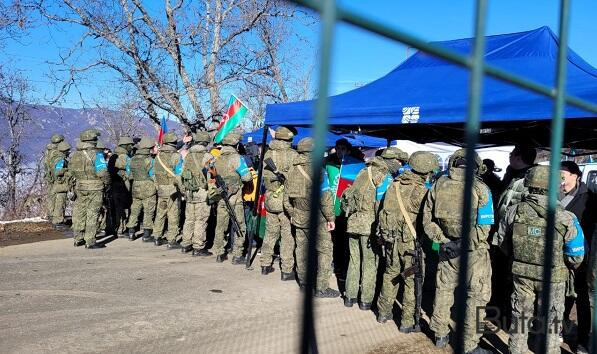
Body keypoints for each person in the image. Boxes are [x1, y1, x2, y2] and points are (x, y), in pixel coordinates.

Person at [497, 165, 585, 354]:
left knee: (519, 316)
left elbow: (502, 243)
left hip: (521, 274)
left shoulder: (513, 211)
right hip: (554, 277)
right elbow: (576, 256)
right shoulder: (566, 217)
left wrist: (520, 258)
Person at [423, 148, 494, 353]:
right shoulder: (481, 189)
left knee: (444, 291)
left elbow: (428, 219)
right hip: (475, 253)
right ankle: (470, 344)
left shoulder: (438, 185)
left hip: (447, 249)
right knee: (477, 296)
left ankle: (439, 333)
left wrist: (444, 241)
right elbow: (485, 226)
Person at [377, 151, 438, 331]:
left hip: (391, 239)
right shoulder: (423, 191)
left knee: (390, 274)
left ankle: (383, 312)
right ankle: (406, 321)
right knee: (412, 281)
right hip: (410, 243)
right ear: (427, 170)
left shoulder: (394, 184)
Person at [342, 147, 404, 310]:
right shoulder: (384, 177)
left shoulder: (363, 172)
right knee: (370, 263)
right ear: (391, 161)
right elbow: (380, 206)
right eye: (397, 161)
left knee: (354, 261)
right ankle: (366, 300)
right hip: (369, 224)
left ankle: (350, 297)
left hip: (353, 222)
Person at [284, 137, 339, 298]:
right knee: (325, 251)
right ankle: (321, 287)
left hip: (299, 217)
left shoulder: (292, 171)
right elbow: (325, 197)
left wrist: (293, 213)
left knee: (301, 250)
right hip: (318, 219)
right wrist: (331, 218)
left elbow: (286, 200)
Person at [559, 161, 597, 352]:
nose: (560, 178)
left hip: (581, 258)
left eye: (563, 174)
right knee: (560, 296)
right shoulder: (555, 196)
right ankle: (559, 329)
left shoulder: (588, 199)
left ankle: (582, 340)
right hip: (559, 258)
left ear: (575, 176)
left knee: (581, 299)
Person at [260, 126, 298, 279]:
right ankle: (287, 269)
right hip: (285, 199)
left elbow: (264, 175)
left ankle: (265, 264)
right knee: (287, 236)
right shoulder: (293, 155)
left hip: (270, 198)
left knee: (270, 233)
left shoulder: (268, 153)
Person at [212, 133, 252, 264]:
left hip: (221, 198)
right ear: (236, 144)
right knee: (239, 226)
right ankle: (237, 255)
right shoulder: (237, 158)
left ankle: (219, 253)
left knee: (220, 226)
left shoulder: (216, 158)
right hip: (235, 199)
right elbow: (246, 177)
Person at [69, 129, 109, 249]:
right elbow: (103, 172)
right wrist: (107, 184)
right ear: (94, 141)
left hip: (80, 187)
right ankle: (90, 241)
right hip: (95, 188)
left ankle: (78, 239)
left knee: (79, 212)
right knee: (92, 213)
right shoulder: (97, 155)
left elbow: (71, 172)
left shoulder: (75, 155)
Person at [180, 131, 213, 256]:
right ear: (205, 142)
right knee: (201, 220)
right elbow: (212, 175)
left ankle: (186, 243)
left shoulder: (188, 155)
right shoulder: (207, 157)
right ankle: (198, 246)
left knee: (189, 219)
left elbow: (182, 173)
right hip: (202, 192)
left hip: (189, 191)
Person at [152, 132, 183, 248]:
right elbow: (179, 174)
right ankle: (172, 240)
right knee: (173, 214)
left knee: (160, 213)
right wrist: (182, 189)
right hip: (172, 190)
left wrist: (158, 186)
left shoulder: (158, 156)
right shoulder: (176, 156)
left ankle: (157, 237)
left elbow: (154, 174)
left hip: (161, 188)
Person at [126, 137, 157, 242]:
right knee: (148, 211)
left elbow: (129, 174)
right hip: (148, 187)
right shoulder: (150, 160)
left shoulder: (132, 159)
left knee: (134, 210)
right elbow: (153, 175)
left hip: (135, 186)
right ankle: (147, 234)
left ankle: (131, 232)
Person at [108, 136, 134, 237]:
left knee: (115, 207)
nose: (131, 147)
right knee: (123, 208)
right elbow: (130, 172)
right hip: (124, 184)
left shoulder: (113, 155)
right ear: (126, 146)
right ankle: (122, 228)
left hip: (114, 185)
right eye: (130, 145)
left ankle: (113, 228)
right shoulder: (125, 157)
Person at [48, 141, 71, 230]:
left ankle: (56, 220)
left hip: (56, 183)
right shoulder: (60, 159)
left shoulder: (54, 157)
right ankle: (58, 222)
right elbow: (58, 172)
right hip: (60, 184)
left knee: (57, 202)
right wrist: (67, 170)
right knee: (60, 203)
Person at [44, 134, 65, 221]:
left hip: (49, 177)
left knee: (51, 196)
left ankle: (50, 215)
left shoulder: (48, 151)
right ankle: (58, 218)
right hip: (58, 179)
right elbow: (59, 169)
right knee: (60, 198)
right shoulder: (59, 153)